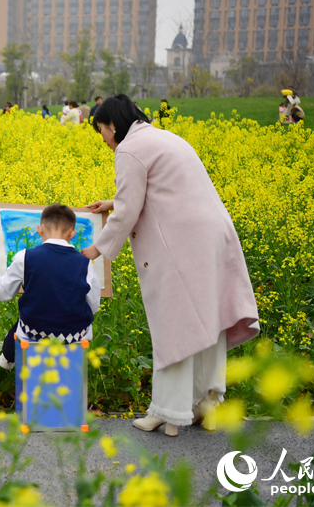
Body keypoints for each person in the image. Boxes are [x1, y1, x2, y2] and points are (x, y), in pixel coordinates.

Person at [82, 95, 260, 437]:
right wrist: (112, 202)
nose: (102, 138)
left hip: (184, 243)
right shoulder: (163, 137)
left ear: (113, 125)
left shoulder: (129, 149)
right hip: (212, 235)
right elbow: (159, 190)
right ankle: (207, 402)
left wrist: (95, 250)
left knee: (175, 323)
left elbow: (130, 210)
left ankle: (167, 411)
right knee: (206, 319)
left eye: (101, 130)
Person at [0, 204, 100, 370]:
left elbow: (1, 293)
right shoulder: (86, 263)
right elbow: (94, 306)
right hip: (74, 339)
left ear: (40, 229)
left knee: (21, 324)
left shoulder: (24, 257)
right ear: (72, 234)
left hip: (34, 336)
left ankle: (7, 362)